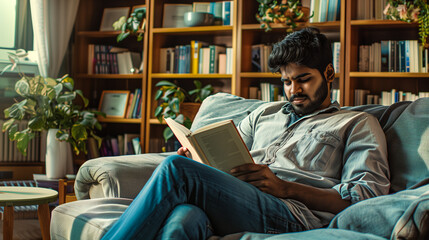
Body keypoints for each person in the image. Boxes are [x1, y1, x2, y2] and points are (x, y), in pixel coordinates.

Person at [101, 27, 390, 240]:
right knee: (182, 220)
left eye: (303, 79)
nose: (294, 91)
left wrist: (283, 187)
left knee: (176, 169)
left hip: (292, 215)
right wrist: (199, 157)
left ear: (329, 74)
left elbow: (363, 197)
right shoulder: (263, 115)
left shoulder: (357, 124)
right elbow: (225, 163)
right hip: (238, 201)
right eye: (286, 82)